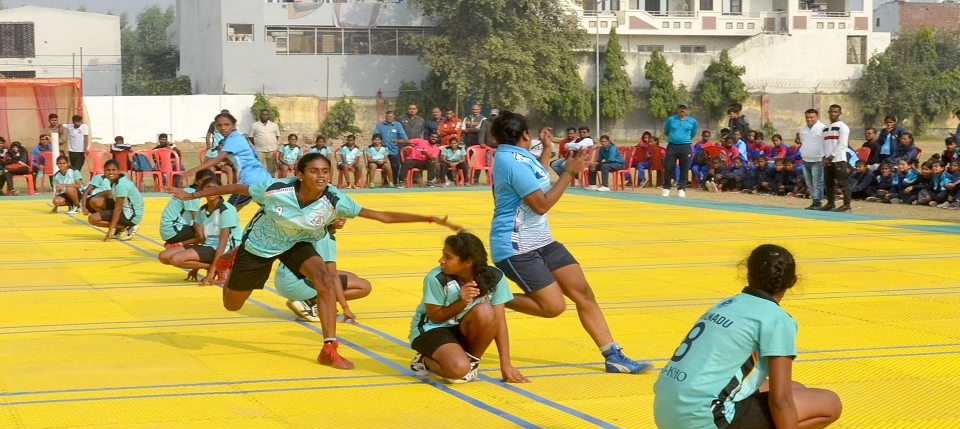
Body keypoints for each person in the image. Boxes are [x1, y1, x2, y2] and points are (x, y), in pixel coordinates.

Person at [162, 153, 460, 370]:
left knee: (326, 280)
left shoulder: (335, 199)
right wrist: (192, 196)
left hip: (297, 243)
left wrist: (430, 218)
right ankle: (231, 260)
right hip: (259, 247)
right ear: (300, 174)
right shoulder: (275, 189)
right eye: (314, 171)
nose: (321, 176)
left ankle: (329, 348)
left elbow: (381, 216)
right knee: (233, 305)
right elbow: (233, 188)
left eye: (325, 171)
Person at [654, 244, 841, 429]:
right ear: (793, 281)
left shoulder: (728, 303)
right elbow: (780, 401)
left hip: (669, 412)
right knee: (829, 404)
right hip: (702, 419)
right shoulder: (776, 319)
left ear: (748, 274)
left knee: (800, 389)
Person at [489, 111, 650, 374]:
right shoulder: (510, 161)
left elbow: (537, 175)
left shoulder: (517, 154)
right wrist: (569, 174)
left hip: (542, 240)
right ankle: (489, 296)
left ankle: (613, 355)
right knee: (553, 307)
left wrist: (549, 151)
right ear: (525, 135)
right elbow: (541, 205)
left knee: (583, 292)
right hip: (516, 246)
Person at [409, 231, 528, 384]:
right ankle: (425, 359)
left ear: (468, 262)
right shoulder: (436, 278)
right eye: (443, 254)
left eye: (448, 257)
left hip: (461, 327)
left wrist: (506, 365)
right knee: (457, 372)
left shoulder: (495, 277)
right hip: (431, 329)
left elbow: (499, 322)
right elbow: (435, 317)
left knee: (484, 310)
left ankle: (471, 363)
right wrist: (462, 302)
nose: (441, 260)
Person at [277, 217, 372, 324]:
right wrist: (345, 308)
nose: (341, 218)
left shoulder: (314, 231)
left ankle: (310, 299)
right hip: (295, 285)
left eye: (343, 214)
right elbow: (332, 276)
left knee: (352, 277)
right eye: (336, 215)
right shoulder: (325, 238)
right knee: (364, 286)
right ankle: (313, 302)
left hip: (284, 281)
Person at [159, 175, 242, 285]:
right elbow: (203, 238)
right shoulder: (203, 209)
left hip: (226, 249)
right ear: (202, 190)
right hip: (209, 246)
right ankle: (217, 267)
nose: (211, 191)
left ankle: (219, 267)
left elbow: (223, 243)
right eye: (207, 187)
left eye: (214, 187)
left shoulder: (226, 210)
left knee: (176, 259)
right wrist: (195, 268)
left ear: (220, 190)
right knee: (163, 256)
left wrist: (210, 274)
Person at [181, 112, 273, 211]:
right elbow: (230, 158)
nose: (223, 128)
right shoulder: (236, 138)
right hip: (263, 179)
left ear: (233, 125)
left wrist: (191, 171)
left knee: (226, 212)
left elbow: (219, 158)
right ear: (216, 126)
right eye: (219, 125)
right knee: (270, 212)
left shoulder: (234, 139)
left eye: (226, 125)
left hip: (249, 181)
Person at [87, 160, 144, 242]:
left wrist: (110, 230)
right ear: (104, 171)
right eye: (108, 170)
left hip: (131, 215)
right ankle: (119, 226)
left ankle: (127, 227)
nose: (111, 172)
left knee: (93, 218)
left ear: (118, 171)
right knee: (94, 201)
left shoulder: (121, 184)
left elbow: (118, 209)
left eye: (114, 170)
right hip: (126, 208)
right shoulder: (115, 181)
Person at [159, 170, 208, 247]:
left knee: (202, 226)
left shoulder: (189, 191)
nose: (205, 183)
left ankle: (188, 247)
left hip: (168, 229)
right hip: (172, 231)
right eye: (203, 181)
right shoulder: (192, 194)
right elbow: (196, 221)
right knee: (206, 230)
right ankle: (177, 245)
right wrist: (203, 239)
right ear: (196, 181)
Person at [662, 104, 698, 197]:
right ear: (678, 109)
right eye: (681, 108)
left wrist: (683, 139)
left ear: (687, 110)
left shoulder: (692, 121)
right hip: (672, 146)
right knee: (668, 167)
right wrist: (675, 138)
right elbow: (666, 131)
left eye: (684, 108)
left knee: (684, 168)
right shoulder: (671, 119)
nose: (682, 110)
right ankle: (666, 187)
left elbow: (693, 134)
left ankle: (681, 188)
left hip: (685, 146)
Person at [820, 104, 851, 212]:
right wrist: (824, 157)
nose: (833, 114)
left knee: (843, 182)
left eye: (835, 112)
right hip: (828, 160)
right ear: (828, 112)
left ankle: (847, 205)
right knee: (829, 182)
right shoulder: (825, 128)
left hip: (838, 159)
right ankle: (830, 203)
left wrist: (832, 156)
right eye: (831, 112)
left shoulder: (843, 127)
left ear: (840, 113)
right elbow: (823, 144)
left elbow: (842, 144)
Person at [798, 109, 826, 210]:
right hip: (805, 159)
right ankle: (814, 200)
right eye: (807, 117)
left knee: (817, 182)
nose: (809, 119)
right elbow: (803, 142)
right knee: (809, 183)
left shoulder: (823, 128)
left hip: (817, 159)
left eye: (811, 117)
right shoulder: (803, 130)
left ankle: (817, 202)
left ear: (817, 117)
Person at [373, 110, 409, 179]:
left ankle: (395, 181)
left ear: (394, 117)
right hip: (382, 150)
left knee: (395, 166)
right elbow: (375, 136)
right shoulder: (380, 125)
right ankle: (385, 182)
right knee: (383, 166)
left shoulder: (397, 125)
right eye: (387, 116)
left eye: (391, 116)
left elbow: (405, 138)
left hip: (393, 149)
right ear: (385, 117)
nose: (389, 118)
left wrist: (397, 141)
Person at [248, 108, 281, 174]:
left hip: (271, 150)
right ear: (260, 115)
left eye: (266, 114)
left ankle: (271, 181)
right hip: (260, 150)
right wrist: (257, 144)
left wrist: (271, 142)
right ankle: (261, 182)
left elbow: (277, 136)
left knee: (271, 168)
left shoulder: (274, 125)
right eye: (262, 114)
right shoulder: (254, 125)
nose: (264, 116)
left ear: (268, 115)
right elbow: (250, 137)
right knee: (260, 167)